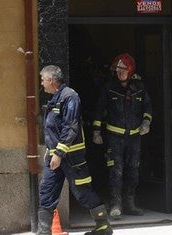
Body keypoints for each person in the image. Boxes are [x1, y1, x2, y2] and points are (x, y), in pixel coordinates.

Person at [37, 65, 112, 235]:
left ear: (50, 80)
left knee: (82, 191)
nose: (41, 83)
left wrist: (59, 153)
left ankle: (103, 226)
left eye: (42, 79)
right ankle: (44, 231)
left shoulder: (70, 97)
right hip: (55, 156)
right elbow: (52, 129)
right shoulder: (54, 98)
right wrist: (50, 152)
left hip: (72, 157)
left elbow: (71, 128)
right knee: (47, 190)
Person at [92, 53, 152, 219]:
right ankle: (116, 204)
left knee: (133, 170)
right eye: (118, 70)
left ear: (130, 70)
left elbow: (148, 107)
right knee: (116, 171)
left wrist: (146, 123)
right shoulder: (108, 87)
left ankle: (130, 204)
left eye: (124, 70)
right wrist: (96, 131)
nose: (120, 72)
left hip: (134, 137)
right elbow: (99, 109)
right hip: (114, 137)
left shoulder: (139, 87)